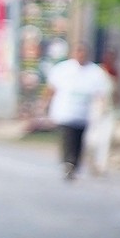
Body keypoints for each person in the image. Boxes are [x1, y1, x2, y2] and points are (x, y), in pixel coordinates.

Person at [47, 46, 98, 177]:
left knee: (79, 140)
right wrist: (45, 104)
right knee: (67, 138)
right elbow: (51, 88)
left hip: (83, 114)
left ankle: (74, 164)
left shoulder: (94, 71)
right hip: (65, 111)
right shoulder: (63, 69)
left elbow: (100, 94)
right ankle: (67, 162)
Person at [84, 51, 118, 175]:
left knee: (106, 138)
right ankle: (91, 160)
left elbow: (118, 91)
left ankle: (102, 165)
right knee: (92, 138)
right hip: (96, 108)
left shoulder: (115, 72)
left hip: (109, 109)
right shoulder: (97, 72)